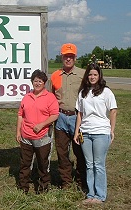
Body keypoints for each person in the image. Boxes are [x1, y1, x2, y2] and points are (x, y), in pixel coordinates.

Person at [73, 63, 117, 204]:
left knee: (98, 164)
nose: (92, 77)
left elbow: (113, 111)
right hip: (85, 132)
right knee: (89, 164)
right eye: (90, 74)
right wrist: (76, 132)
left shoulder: (106, 92)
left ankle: (100, 195)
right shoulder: (83, 92)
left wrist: (111, 130)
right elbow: (79, 113)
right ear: (87, 76)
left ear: (99, 76)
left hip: (101, 132)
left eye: (95, 75)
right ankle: (91, 194)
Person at [50, 43, 87, 191]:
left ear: (75, 58)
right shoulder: (55, 75)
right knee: (62, 152)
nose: (68, 59)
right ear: (62, 57)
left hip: (78, 119)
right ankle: (66, 181)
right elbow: (51, 98)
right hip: (60, 118)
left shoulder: (83, 74)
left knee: (81, 152)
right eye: (66, 56)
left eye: (71, 56)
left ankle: (81, 181)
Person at [16, 70, 59, 194]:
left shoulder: (50, 97)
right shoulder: (27, 97)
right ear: (32, 82)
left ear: (44, 83)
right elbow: (20, 115)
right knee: (25, 163)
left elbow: (55, 115)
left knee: (43, 163)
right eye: (35, 81)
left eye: (40, 81)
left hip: (42, 137)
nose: (37, 83)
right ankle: (23, 187)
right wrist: (18, 132)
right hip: (26, 136)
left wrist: (42, 125)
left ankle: (43, 187)